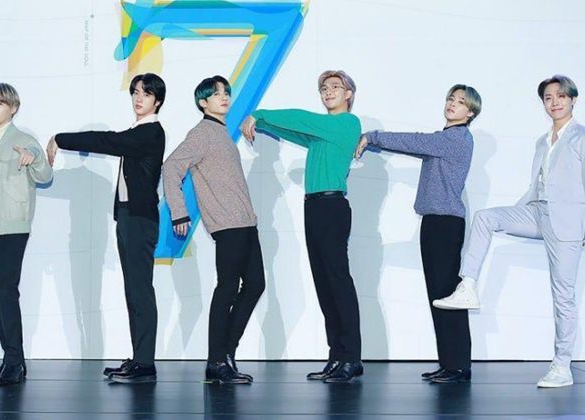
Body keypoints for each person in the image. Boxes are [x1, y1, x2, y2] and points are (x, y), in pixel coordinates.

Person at [433, 75, 585, 388]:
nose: (555, 102)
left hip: (568, 223)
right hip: (537, 211)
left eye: (561, 96)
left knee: (563, 296)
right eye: (548, 98)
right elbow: (537, 184)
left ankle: (562, 366)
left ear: (573, 99)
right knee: (486, 218)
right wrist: (520, 211)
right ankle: (468, 285)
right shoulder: (542, 141)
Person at [240, 70, 363, 383]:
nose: (327, 92)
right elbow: (294, 131)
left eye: (335, 87)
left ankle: (351, 358)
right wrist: (263, 124)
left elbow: (301, 120)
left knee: (337, 281)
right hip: (315, 207)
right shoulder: (323, 134)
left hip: (332, 207)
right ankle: (337, 356)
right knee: (324, 283)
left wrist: (259, 114)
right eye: (323, 88)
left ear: (349, 94)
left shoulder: (347, 123)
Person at [356, 84, 482, 384]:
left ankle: (458, 366)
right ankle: (449, 363)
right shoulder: (447, 138)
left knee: (447, 295)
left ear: (470, 112)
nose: (452, 103)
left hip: (445, 224)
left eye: (460, 101)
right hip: (436, 222)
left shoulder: (455, 138)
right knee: (439, 295)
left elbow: (413, 141)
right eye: (450, 98)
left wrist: (372, 137)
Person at [47, 73, 166, 383]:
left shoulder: (151, 133)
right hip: (128, 218)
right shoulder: (138, 131)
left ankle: (145, 362)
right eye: (135, 92)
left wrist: (61, 139)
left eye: (146, 94)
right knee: (134, 291)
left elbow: (106, 141)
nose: (138, 98)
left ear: (157, 101)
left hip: (139, 220)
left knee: (140, 292)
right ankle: (139, 359)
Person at [163, 76, 264, 384]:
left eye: (226, 92)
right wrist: (179, 213)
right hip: (227, 224)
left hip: (245, 222)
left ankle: (225, 354)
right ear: (203, 102)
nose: (224, 97)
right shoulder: (202, 133)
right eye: (216, 93)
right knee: (227, 288)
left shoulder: (222, 133)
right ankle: (217, 361)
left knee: (255, 285)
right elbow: (171, 167)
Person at [0, 83, 53, 386]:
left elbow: (45, 176)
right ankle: (12, 360)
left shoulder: (24, 140)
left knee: (6, 292)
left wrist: (35, 159)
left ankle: (14, 362)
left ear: (13, 108)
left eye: (0, 103)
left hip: (12, 226)